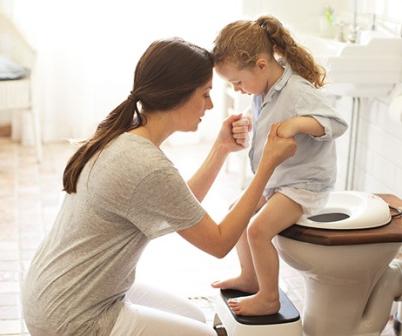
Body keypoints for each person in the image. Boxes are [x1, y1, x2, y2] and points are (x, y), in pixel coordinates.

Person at [21, 37, 297, 336]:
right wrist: (266, 166)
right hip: (72, 317)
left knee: (193, 316)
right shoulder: (146, 165)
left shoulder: (125, 137)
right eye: (205, 94)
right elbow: (218, 243)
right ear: (178, 94)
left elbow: (178, 205)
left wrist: (220, 148)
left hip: (59, 291)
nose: (210, 104)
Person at [211, 15, 348, 316]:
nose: (237, 89)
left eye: (238, 82)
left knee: (258, 230)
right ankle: (249, 277)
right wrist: (248, 123)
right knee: (238, 212)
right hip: (279, 180)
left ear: (261, 65)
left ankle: (268, 297)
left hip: (304, 184)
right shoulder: (263, 90)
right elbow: (266, 117)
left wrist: (297, 123)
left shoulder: (297, 90)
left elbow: (337, 124)